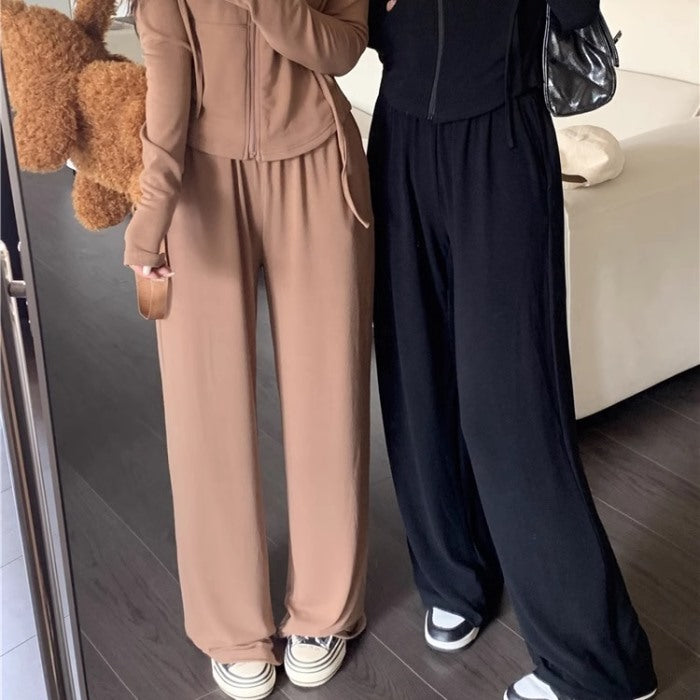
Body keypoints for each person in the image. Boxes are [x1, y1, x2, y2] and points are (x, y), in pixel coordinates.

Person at [367, 1, 658, 699]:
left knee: (511, 402)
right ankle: (453, 576)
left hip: (500, 138)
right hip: (400, 137)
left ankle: (598, 665)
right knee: (414, 377)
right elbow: (362, 34)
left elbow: (574, 14)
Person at [124, 1, 374, 698]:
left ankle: (324, 609)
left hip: (317, 163)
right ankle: (231, 625)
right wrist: (152, 214)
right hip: (201, 179)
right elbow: (168, 79)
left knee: (329, 396)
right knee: (204, 405)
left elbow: (344, 48)